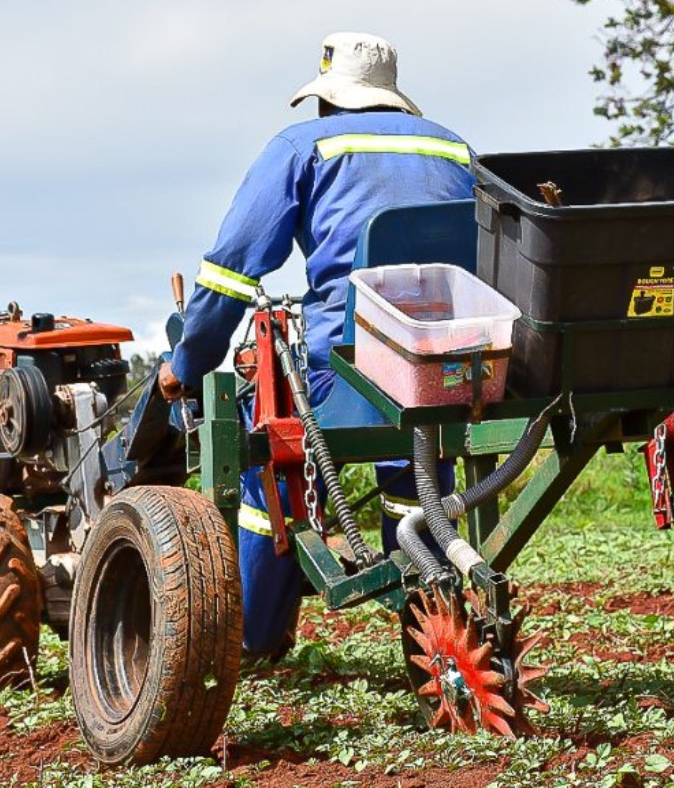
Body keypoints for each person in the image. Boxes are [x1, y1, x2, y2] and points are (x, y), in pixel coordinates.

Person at [158, 32, 471, 659]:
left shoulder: (304, 145)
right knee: (416, 473)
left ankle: (258, 637)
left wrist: (188, 363)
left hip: (346, 367)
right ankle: (428, 625)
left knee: (266, 462)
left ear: (327, 100)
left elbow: (231, 271)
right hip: (448, 366)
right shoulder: (452, 146)